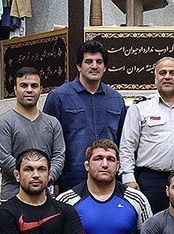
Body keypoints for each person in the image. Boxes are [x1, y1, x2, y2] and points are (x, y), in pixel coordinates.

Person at [121, 57, 174, 213]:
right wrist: (128, 178)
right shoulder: (140, 107)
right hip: (149, 181)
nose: (167, 77)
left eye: (172, 73)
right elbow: (127, 146)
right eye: (162, 73)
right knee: (149, 223)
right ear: (155, 78)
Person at [42, 40, 126, 192]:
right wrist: (53, 179)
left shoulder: (116, 99)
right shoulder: (59, 97)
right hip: (70, 179)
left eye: (99, 62)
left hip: (109, 180)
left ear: (104, 67)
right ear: (78, 66)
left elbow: (123, 141)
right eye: (88, 61)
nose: (94, 66)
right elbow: (47, 141)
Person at [0, 66, 66, 201]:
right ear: (15, 90)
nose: (29, 90)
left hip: (45, 196)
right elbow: (4, 159)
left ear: (41, 90)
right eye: (24, 85)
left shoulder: (53, 123)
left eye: (34, 86)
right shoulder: (3, 122)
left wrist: (46, 177)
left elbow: (59, 156)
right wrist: (31, 176)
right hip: (13, 196)